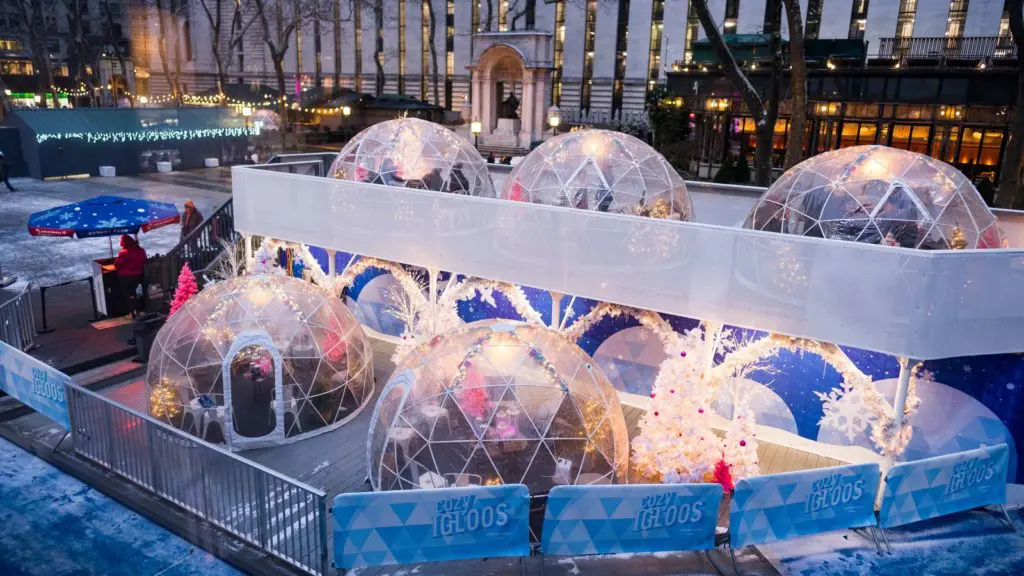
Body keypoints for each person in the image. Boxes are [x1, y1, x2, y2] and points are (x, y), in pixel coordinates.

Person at [114, 235, 147, 316]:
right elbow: (144, 261)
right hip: (140, 276)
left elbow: (117, 265)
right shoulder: (141, 250)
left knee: (128, 294)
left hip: (126, 278)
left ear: (124, 243)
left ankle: (132, 311)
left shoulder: (123, 253)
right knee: (136, 293)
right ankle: (139, 309)